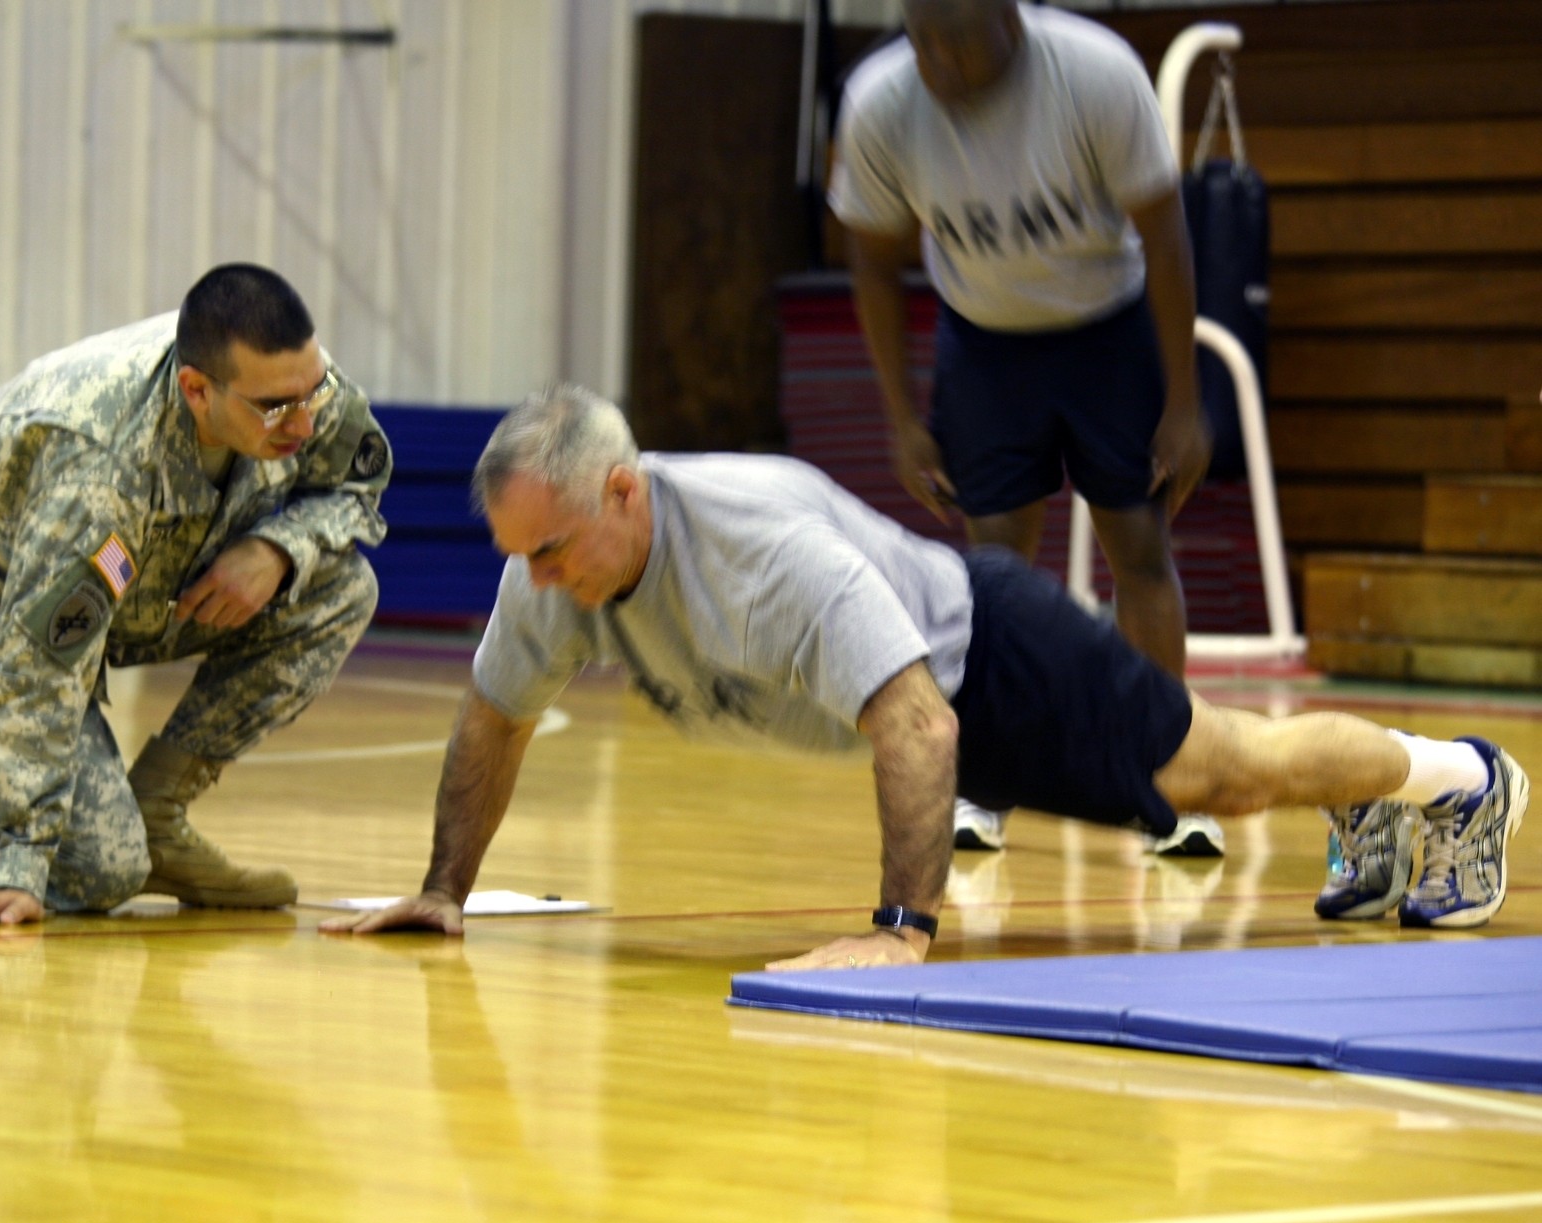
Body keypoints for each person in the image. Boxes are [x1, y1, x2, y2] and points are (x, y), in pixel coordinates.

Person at [320, 387, 1527, 969]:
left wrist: (903, 932)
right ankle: (1379, 800)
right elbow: (496, 718)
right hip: (947, 690)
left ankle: (1461, 779)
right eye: (518, 554)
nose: (535, 576)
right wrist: (444, 888)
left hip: (1001, 659)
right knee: (1233, 771)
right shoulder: (557, 575)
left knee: (1233, 774)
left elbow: (919, 727)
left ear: (626, 492)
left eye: (552, 546)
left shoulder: (761, 551)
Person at [0, 264, 391, 924]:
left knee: (339, 588)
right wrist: (15, 862)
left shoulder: (295, 387)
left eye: (313, 395)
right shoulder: (102, 466)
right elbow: (35, 666)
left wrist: (280, 547)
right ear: (197, 391)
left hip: (125, 585)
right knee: (97, 870)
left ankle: (158, 813)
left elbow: (354, 487)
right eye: (278, 410)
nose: (305, 424)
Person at [831, 0, 1221, 858]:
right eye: (927, 45)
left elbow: (1165, 235)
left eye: (965, 44)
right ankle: (985, 785)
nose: (948, 64)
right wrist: (901, 420)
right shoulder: (881, 105)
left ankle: (1170, 775)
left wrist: (1185, 401)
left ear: (1013, 16)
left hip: (1107, 331)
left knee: (1139, 548)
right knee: (993, 576)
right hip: (984, 346)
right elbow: (871, 258)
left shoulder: (1096, 73)